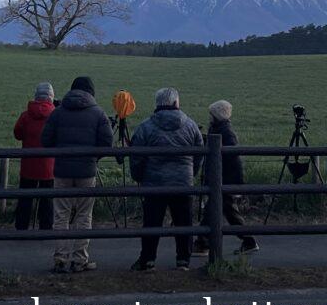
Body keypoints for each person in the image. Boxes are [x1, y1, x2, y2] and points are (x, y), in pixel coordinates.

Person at [39, 76, 113, 273]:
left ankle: (60, 258)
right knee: (84, 215)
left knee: (61, 215)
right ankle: (80, 259)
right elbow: (107, 142)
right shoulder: (98, 113)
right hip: (86, 170)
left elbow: (45, 140)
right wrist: (94, 158)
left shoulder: (58, 113)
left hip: (62, 169)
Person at [129, 87, 204, 271]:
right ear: (176, 103)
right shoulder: (191, 125)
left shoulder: (146, 126)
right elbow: (200, 152)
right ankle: (183, 260)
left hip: (155, 182)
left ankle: (147, 259)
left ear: (158, 104)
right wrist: (191, 173)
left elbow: (136, 155)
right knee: (184, 222)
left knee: (152, 222)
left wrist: (138, 176)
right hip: (183, 182)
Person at [192, 100, 258, 256]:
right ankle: (248, 241)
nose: (209, 117)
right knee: (230, 213)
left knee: (211, 212)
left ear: (217, 115)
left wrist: (237, 184)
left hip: (223, 180)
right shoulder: (220, 129)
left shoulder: (226, 133)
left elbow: (234, 160)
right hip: (222, 180)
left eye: (211, 114)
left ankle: (202, 243)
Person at [13, 82, 56, 230]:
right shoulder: (55, 116)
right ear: (51, 97)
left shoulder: (26, 116)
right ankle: (45, 228)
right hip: (48, 166)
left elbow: (17, 134)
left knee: (25, 199)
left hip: (28, 165)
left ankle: (21, 227)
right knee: (47, 200)